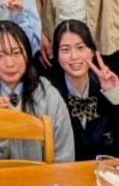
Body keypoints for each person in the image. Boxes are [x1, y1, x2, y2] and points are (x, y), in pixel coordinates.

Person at [0, 21, 74, 163]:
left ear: (27, 52)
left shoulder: (47, 94)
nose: (10, 63)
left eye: (16, 53)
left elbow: (64, 158)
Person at [50, 19, 119, 160]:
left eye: (80, 47)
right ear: (57, 55)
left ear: (92, 52)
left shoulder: (107, 86)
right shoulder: (49, 92)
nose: (74, 56)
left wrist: (115, 95)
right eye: (65, 50)